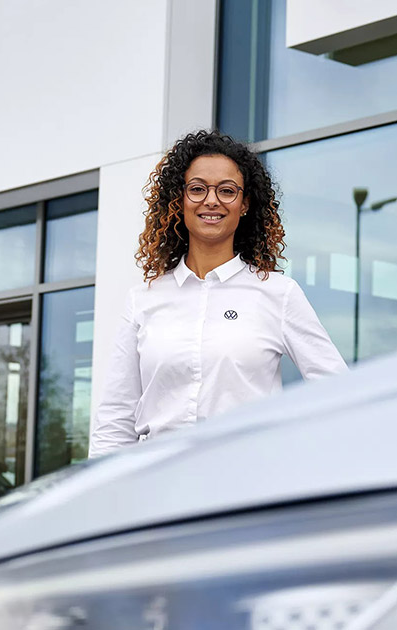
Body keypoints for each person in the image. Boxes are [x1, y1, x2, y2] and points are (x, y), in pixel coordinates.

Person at [89, 130, 346, 457]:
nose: (211, 201)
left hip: (244, 487)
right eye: (197, 189)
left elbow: (336, 390)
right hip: (158, 485)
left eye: (227, 191)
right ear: (178, 200)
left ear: (245, 204)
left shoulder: (278, 294)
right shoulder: (144, 299)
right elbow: (116, 416)